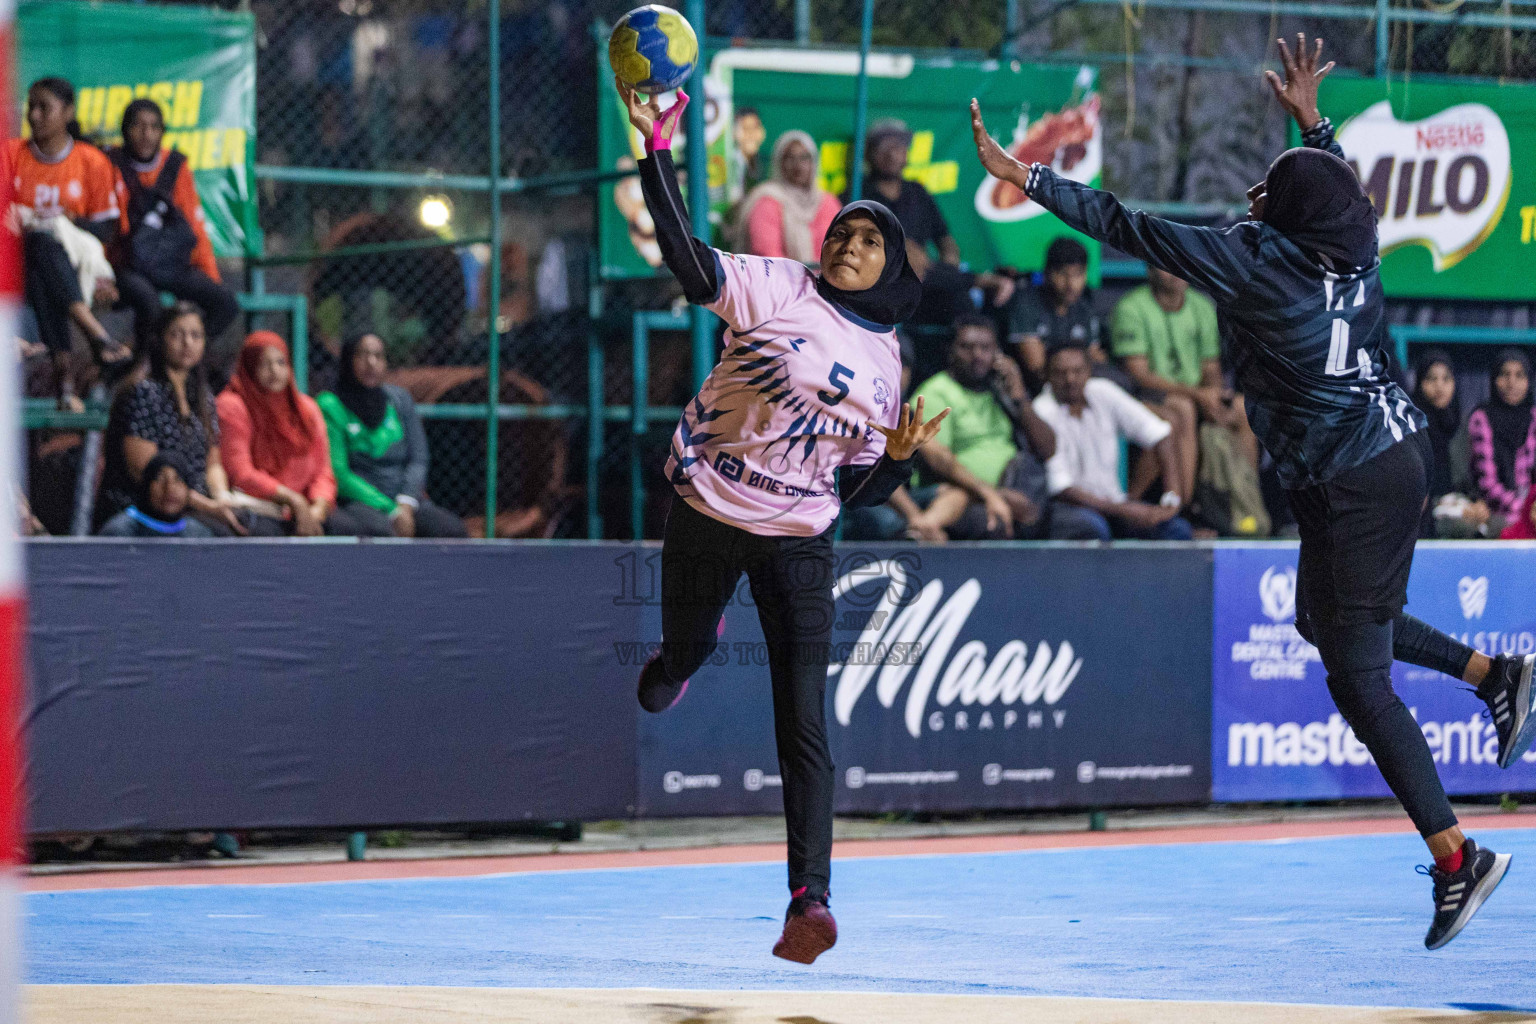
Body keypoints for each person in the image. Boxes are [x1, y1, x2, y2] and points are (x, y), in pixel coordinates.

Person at [972, 33, 1535, 949]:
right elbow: (1338, 178)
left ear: (1289, 209)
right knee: (1328, 622)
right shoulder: (1352, 239)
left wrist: (1027, 175)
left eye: (1267, 188)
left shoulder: (1259, 263)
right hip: (1384, 457)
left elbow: (1128, 223)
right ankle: (1497, 677)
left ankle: (1458, 857)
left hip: (1352, 477)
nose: (1252, 197)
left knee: (1357, 680)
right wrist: (1313, 121)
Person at [619, 81, 946, 964]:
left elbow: (860, 491)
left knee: (802, 720)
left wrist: (899, 460)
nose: (849, 241)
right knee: (680, 656)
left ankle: (812, 900)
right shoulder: (777, 285)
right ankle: (682, 654)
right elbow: (688, 263)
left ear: (894, 265)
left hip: (801, 534)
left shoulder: (886, 363)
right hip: (709, 504)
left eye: (870, 238)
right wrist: (655, 150)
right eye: (843, 228)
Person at [902, 315, 1109, 541]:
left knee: (1088, 526)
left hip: (1021, 496)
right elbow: (939, 461)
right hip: (964, 498)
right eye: (967, 347)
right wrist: (993, 495)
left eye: (985, 348)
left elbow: (1048, 449)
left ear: (997, 353)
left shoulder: (1001, 392)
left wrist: (1020, 398)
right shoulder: (935, 393)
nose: (977, 355)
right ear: (950, 351)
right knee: (994, 525)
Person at [7, 77, 131, 408]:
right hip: (19, 262)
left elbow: (106, 229)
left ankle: (64, 379)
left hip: (74, 263)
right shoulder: (10, 154)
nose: (34, 115)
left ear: (68, 112)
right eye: (30, 107)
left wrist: (70, 221)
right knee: (39, 248)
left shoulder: (91, 161)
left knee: (43, 251)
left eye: (44, 108)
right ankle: (97, 339)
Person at [94, 302, 246, 536]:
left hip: (193, 504)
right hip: (149, 507)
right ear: (159, 339)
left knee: (255, 524)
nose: (187, 343)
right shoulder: (143, 392)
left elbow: (213, 463)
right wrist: (208, 507)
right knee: (222, 535)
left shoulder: (203, 396)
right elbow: (145, 472)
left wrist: (221, 498)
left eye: (196, 335)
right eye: (177, 334)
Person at [1113, 265, 1255, 507]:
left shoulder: (1202, 306)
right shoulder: (1130, 307)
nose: (1175, 271)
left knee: (1240, 408)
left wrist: (1214, 396)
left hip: (1195, 394)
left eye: (1179, 263)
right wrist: (1199, 395)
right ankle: (1184, 508)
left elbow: (1210, 367)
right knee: (1183, 408)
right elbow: (1139, 375)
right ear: (1150, 270)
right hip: (1148, 396)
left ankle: (1245, 506)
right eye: (1165, 265)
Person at [108, 98, 239, 354]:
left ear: (162, 132)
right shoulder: (110, 163)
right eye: (138, 126)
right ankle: (144, 368)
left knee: (225, 304)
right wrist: (103, 276)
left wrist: (210, 277)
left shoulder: (175, 165)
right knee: (149, 303)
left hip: (168, 264)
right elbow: (106, 226)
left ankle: (180, 358)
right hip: (126, 265)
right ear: (125, 130)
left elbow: (195, 226)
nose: (146, 134)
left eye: (154, 127)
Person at [1034, 346, 1193, 540]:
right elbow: (1060, 488)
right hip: (1068, 509)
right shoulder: (1041, 410)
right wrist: (1126, 509)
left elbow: (1161, 435)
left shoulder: (1102, 391)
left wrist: (1171, 498)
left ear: (1089, 371)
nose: (1070, 379)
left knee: (1176, 529)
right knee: (1094, 528)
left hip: (1115, 506)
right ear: (1046, 375)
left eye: (1077, 371)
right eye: (1061, 373)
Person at [318, 333, 468, 539]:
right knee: (382, 532)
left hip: (405, 500)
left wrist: (405, 502)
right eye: (362, 355)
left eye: (378, 356)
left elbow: (418, 458)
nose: (371, 363)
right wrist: (391, 510)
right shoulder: (330, 404)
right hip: (360, 501)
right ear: (347, 360)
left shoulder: (399, 399)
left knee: (451, 530)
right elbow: (339, 474)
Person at [217, 331, 357, 537]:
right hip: (262, 506)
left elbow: (323, 471)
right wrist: (292, 500)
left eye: (281, 363)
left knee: (350, 529)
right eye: (264, 364)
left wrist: (318, 508)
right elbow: (241, 473)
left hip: (305, 506)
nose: (274, 371)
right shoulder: (232, 406)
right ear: (249, 367)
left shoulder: (306, 409)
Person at [844, 119, 958, 266]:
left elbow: (944, 237)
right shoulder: (856, 195)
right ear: (868, 154)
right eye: (883, 148)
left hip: (923, 277)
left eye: (898, 147)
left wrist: (950, 260)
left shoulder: (918, 192)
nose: (891, 155)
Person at [1006, 237, 1105, 383]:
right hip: (1037, 391)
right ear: (1047, 272)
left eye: (1078, 274)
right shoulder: (1026, 304)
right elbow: (1038, 368)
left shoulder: (1085, 308)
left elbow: (1095, 361)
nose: (1071, 284)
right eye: (1063, 274)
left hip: (1077, 389)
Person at [1411, 350, 1487, 539]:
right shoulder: (1411, 427)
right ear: (1420, 383)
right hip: (1426, 510)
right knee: (1465, 528)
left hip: (1459, 502)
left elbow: (1468, 478)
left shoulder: (1460, 425)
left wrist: (1477, 503)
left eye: (1446, 379)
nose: (1439, 386)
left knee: (1495, 525)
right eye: (1431, 379)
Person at [735, 131, 841, 264]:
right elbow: (768, 256)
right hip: (779, 280)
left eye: (804, 157)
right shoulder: (767, 200)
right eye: (790, 158)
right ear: (779, 162)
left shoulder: (827, 202)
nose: (798, 165)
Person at [1466, 349, 1535, 537]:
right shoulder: (1482, 418)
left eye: (1519, 375)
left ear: (1528, 382)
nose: (1512, 382)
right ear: (1494, 380)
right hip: (1494, 512)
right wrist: (1523, 509)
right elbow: (1487, 483)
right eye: (1505, 374)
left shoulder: (1533, 417)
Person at [97, 451, 215, 538]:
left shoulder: (199, 535)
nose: (169, 488)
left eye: (178, 479)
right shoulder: (119, 533)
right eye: (160, 478)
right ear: (146, 486)